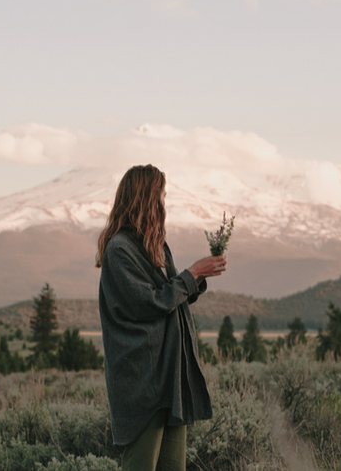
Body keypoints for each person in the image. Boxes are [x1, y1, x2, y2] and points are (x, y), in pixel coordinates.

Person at [97, 164, 227, 471]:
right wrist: (191, 274)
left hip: (171, 375)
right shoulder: (119, 250)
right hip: (142, 378)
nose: (164, 203)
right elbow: (150, 302)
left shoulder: (155, 244)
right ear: (145, 198)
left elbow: (172, 294)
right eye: (161, 195)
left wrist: (199, 277)